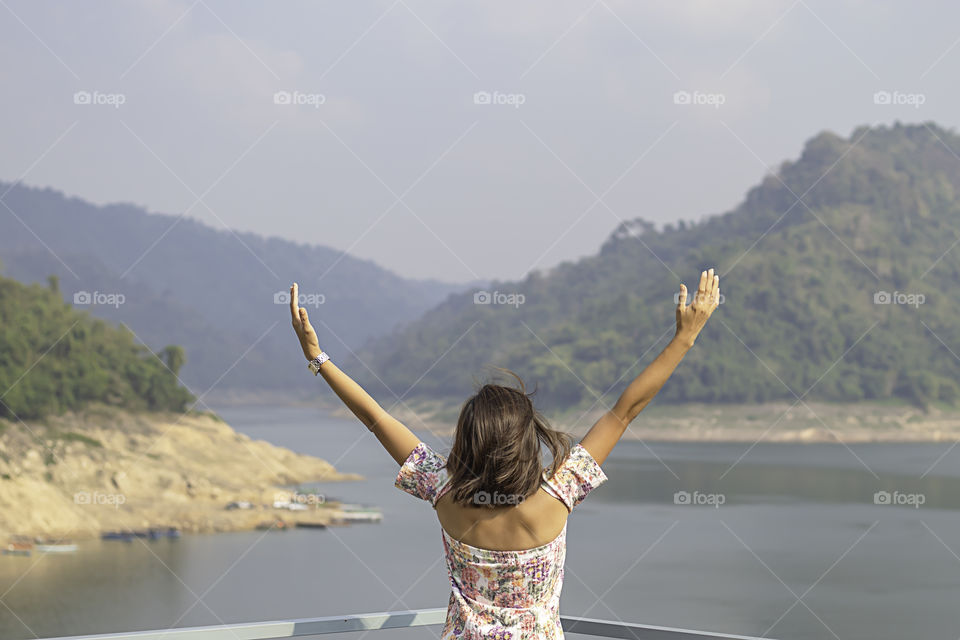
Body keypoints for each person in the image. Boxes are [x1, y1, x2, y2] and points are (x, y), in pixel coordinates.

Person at [288, 269, 721, 639]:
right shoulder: (558, 495)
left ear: (468, 439)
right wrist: (685, 338)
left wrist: (317, 358)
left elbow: (376, 418)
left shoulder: (442, 492)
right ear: (525, 441)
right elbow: (624, 412)